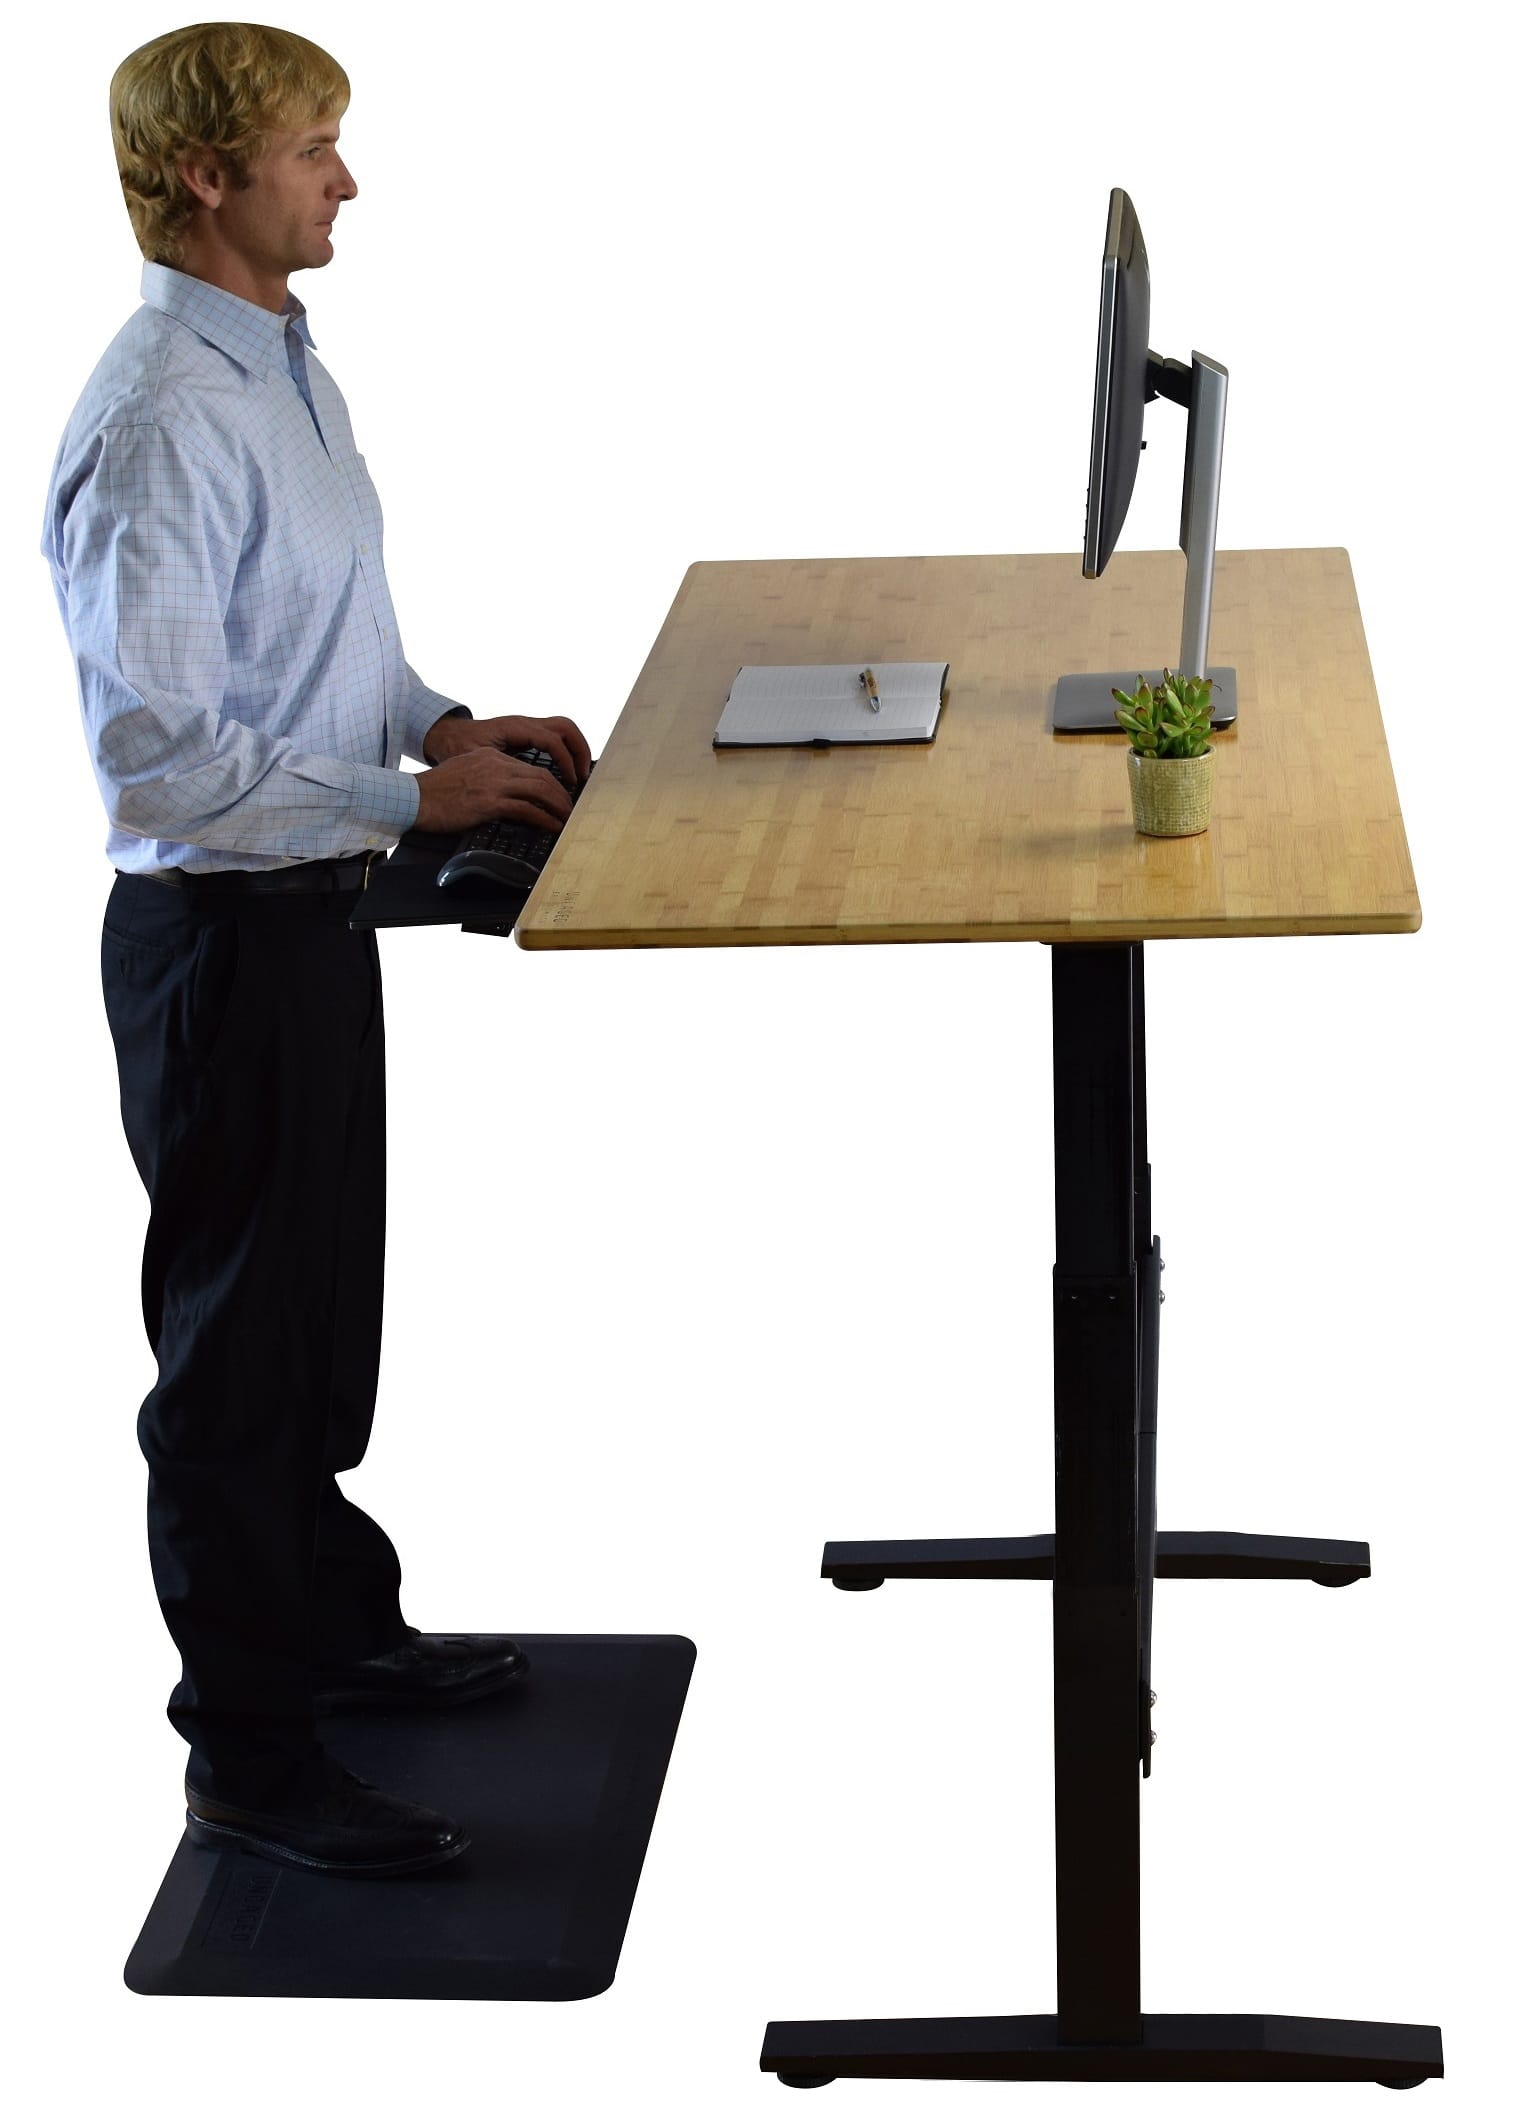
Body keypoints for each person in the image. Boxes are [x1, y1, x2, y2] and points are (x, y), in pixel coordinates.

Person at [41, 21, 592, 1878]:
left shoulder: (279, 358)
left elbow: (315, 641)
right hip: (223, 945)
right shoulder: (160, 421)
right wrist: (410, 800)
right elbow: (162, 761)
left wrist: (442, 730)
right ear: (207, 178)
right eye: (312, 148)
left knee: (317, 1323)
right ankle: (251, 1759)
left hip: (315, 905)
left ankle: (337, 1625)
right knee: (235, 1370)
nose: (346, 180)